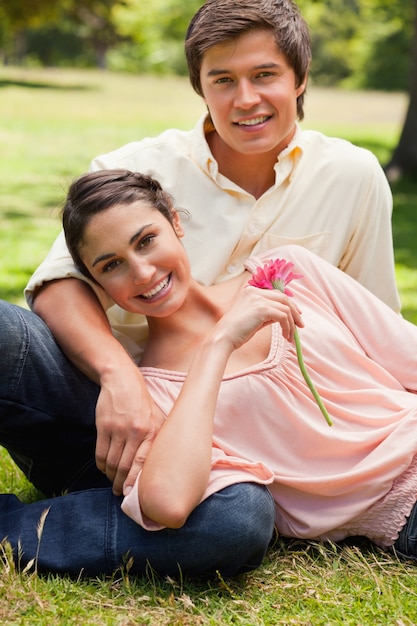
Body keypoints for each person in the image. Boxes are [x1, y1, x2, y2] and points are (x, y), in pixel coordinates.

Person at [22, 0, 400, 503]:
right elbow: (60, 285)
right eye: (222, 80)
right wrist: (120, 377)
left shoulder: (351, 176)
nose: (246, 99)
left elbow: (374, 328)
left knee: (236, 518)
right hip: (120, 392)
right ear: (201, 88)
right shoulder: (137, 169)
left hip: (241, 432)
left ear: (301, 77)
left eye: (264, 75)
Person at [57, 169, 417, 561]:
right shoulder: (155, 397)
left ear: (175, 222)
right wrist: (218, 344)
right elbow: (169, 503)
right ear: (98, 283)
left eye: (146, 241)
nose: (143, 273)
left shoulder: (285, 273)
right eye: (111, 266)